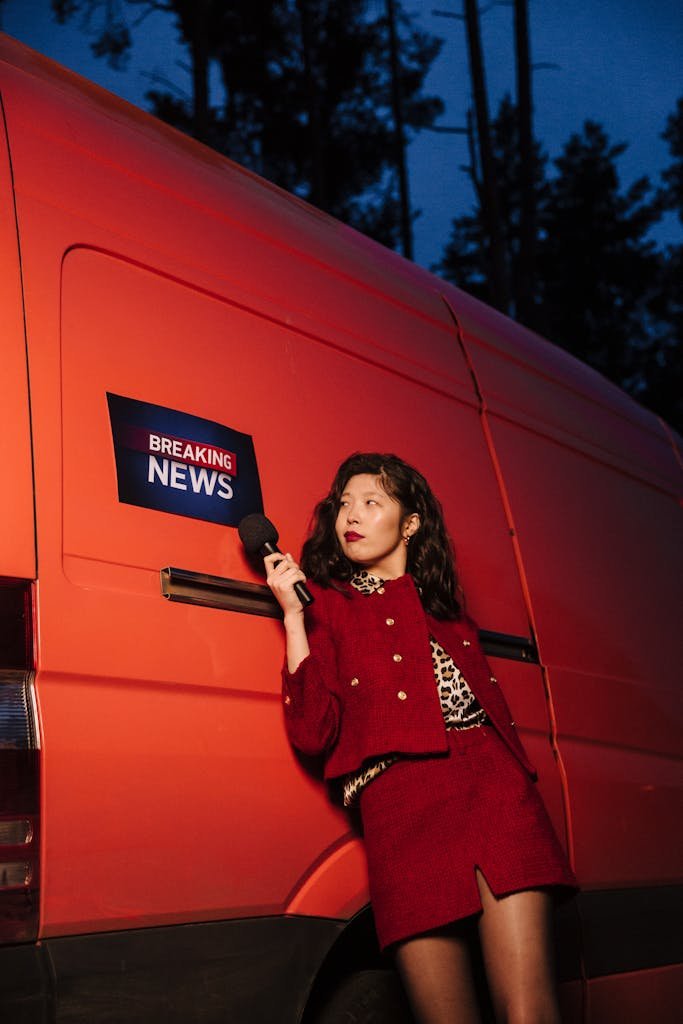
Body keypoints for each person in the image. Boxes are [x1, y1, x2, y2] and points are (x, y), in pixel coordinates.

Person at [265, 452, 577, 1024]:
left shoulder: (448, 613)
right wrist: (292, 616)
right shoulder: (326, 606)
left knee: (530, 1009)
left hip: (493, 789)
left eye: (371, 502)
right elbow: (312, 733)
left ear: (409, 523)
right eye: (344, 503)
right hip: (401, 805)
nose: (351, 515)